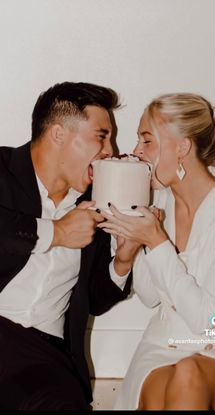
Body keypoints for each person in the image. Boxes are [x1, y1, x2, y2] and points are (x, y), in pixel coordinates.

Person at [0, 81, 138, 410]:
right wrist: (56, 232)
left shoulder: (99, 201)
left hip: (43, 356)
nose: (110, 151)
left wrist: (123, 259)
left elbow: (95, 300)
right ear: (59, 134)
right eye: (102, 136)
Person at [98, 92, 215, 410]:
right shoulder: (158, 202)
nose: (136, 152)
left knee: (188, 376)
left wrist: (157, 243)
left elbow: (208, 319)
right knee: (165, 387)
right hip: (162, 343)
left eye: (147, 141)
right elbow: (149, 297)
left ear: (182, 147)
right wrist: (133, 249)